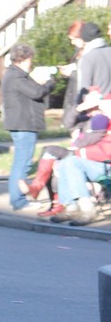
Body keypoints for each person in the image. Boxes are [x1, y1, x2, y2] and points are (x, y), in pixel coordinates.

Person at [1, 42, 56, 211]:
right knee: (22, 164)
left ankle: (17, 199)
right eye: (30, 58)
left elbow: (31, 90)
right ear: (24, 59)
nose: (31, 62)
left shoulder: (14, 75)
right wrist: (50, 82)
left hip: (20, 124)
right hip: (24, 125)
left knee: (20, 162)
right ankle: (18, 201)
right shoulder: (17, 76)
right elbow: (37, 92)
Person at [47, 96, 111, 226]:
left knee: (71, 161)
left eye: (106, 106)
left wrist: (79, 151)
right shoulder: (99, 120)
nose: (102, 109)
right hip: (97, 163)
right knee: (67, 161)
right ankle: (71, 207)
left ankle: (86, 209)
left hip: (106, 165)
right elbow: (68, 123)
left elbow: (107, 150)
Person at [28, 111, 108, 214]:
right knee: (49, 153)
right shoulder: (87, 117)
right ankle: (58, 202)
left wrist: (77, 140)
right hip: (81, 153)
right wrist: (78, 109)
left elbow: (92, 139)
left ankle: (59, 202)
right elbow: (67, 124)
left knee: (59, 158)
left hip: (88, 155)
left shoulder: (101, 118)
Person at [76, 21, 111, 99]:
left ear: (84, 37)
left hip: (98, 106)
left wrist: (79, 104)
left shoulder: (87, 57)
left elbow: (84, 89)